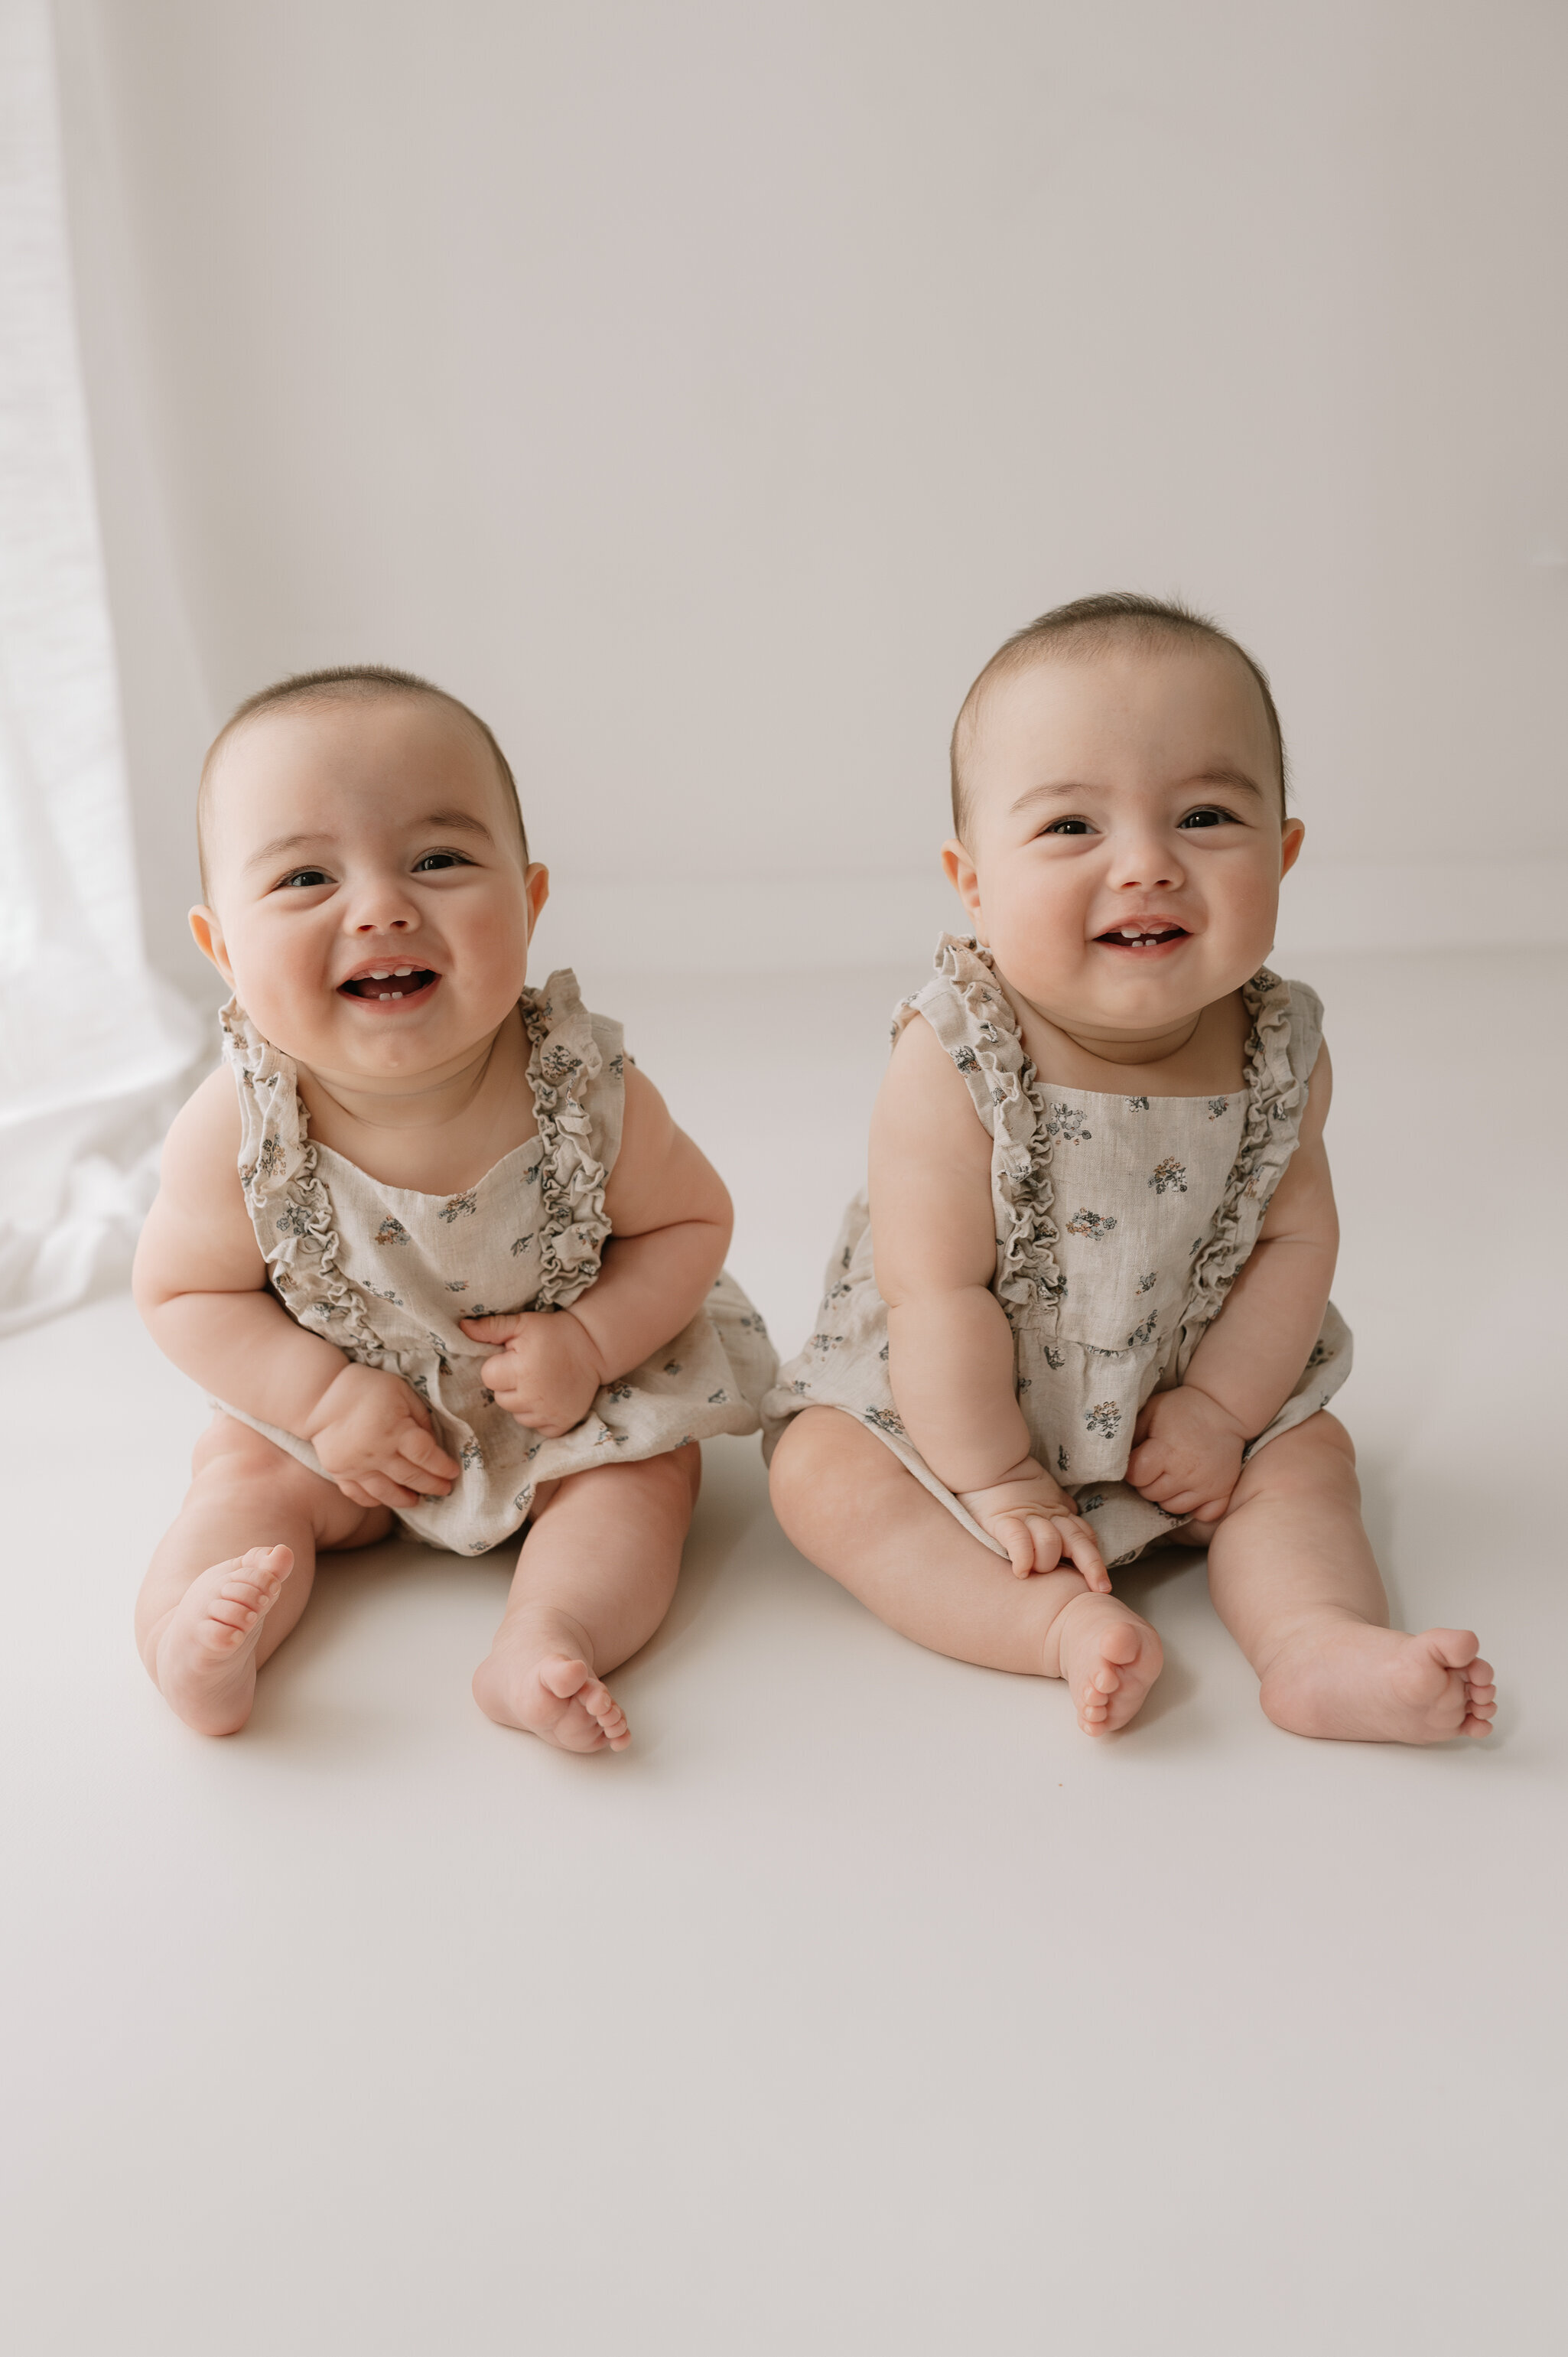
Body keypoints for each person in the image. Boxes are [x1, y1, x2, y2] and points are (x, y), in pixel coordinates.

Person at [766, 594, 1495, 1743]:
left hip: (1193, 1391)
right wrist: (999, 1476)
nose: (1146, 866)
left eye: (1204, 816)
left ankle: (1314, 1642)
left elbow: (1296, 1243)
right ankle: (1047, 1626)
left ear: (1284, 852)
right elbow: (932, 1290)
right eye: (1070, 829)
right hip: (960, 1407)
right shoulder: (953, 1051)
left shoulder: (1281, 1048)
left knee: (1305, 1460)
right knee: (819, 1476)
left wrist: (1217, 1412)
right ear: (970, 880)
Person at [134, 666, 774, 1746]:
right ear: (222, 949)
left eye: (437, 859)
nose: (382, 905)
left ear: (527, 900)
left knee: (646, 1478)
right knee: (241, 1482)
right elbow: (184, 1292)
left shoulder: (582, 1087)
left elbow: (690, 1224)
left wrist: (589, 1338)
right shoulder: (237, 1125)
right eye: (302, 878)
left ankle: (545, 1637)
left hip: (562, 1411)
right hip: (338, 1427)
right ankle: (191, 1645)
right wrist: (323, 1399)